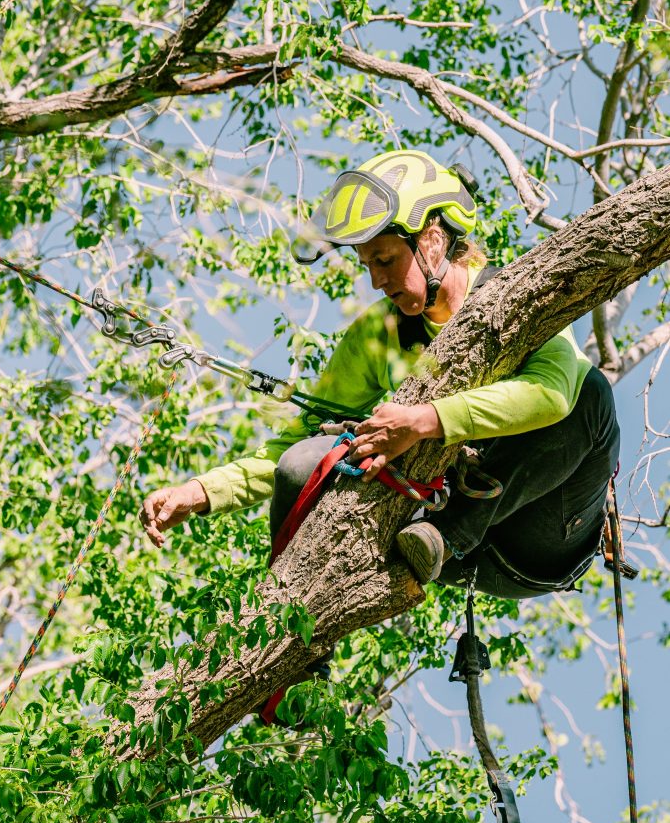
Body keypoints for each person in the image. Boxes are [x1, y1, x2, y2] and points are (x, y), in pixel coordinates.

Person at [139, 149, 620, 600]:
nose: (375, 280)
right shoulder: (381, 332)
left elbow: (555, 396)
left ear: (432, 241)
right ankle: (290, 612)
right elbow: (293, 448)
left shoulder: (512, 295)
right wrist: (201, 492)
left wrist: (422, 420)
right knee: (305, 462)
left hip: (543, 533)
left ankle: (449, 531)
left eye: (385, 259)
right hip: (431, 543)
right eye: (366, 264)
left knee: (591, 392)